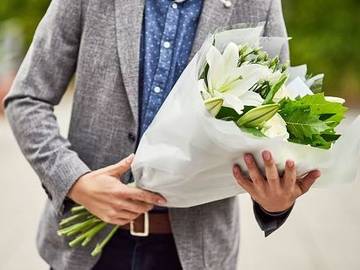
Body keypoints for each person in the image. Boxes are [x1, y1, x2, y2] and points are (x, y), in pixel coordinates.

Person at [4, 0, 321, 269]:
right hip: (86, 253)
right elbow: (27, 99)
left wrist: (274, 203)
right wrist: (75, 181)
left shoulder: (256, 4)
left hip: (197, 254)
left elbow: (274, 130)